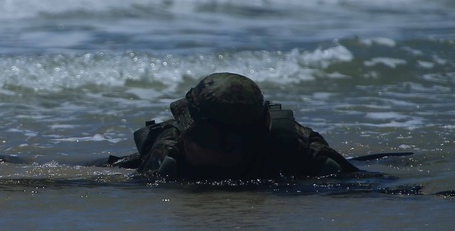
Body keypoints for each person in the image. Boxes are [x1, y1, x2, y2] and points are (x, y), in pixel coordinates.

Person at [106, 72, 359, 181]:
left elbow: (351, 181)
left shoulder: (294, 146)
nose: (185, 137)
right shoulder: (168, 153)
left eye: (195, 134)